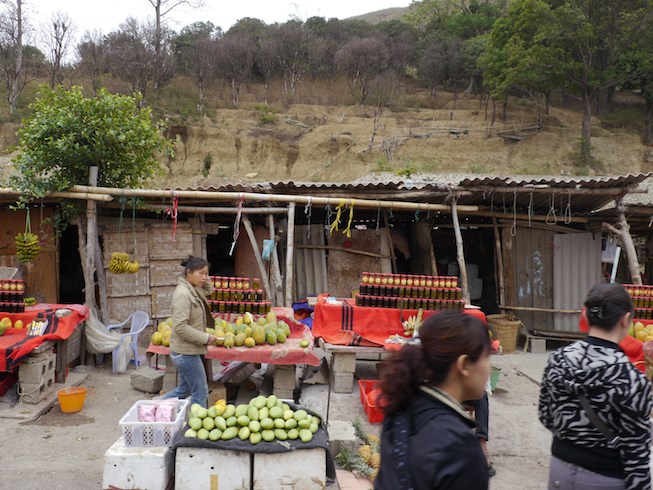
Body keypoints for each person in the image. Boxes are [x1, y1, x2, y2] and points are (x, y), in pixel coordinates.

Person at [539, 283, 653, 490]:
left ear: (586, 316)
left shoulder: (558, 359)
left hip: (560, 470)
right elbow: (636, 456)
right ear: (625, 319)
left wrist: (574, 435)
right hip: (607, 479)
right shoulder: (632, 379)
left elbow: (545, 415)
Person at [374, 311, 491, 490]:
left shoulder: (401, 406)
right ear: (464, 365)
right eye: (487, 357)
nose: (489, 368)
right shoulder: (461, 450)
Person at [162, 256, 218, 407]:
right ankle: (197, 422)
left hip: (187, 351)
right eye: (201, 273)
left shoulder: (194, 289)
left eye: (206, 274)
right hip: (185, 353)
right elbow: (180, 327)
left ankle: (155, 407)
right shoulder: (183, 294)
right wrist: (205, 338)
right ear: (188, 273)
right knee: (200, 392)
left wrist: (204, 275)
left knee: (184, 389)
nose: (204, 278)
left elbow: (210, 290)